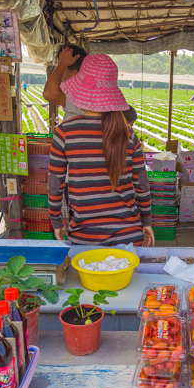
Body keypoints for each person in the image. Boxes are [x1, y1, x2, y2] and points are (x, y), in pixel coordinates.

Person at [49, 54, 154, 246]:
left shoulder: (64, 133)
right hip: (130, 238)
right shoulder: (128, 134)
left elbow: (55, 185)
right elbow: (142, 183)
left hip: (84, 239)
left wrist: (57, 221)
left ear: (81, 91)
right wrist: (146, 221)